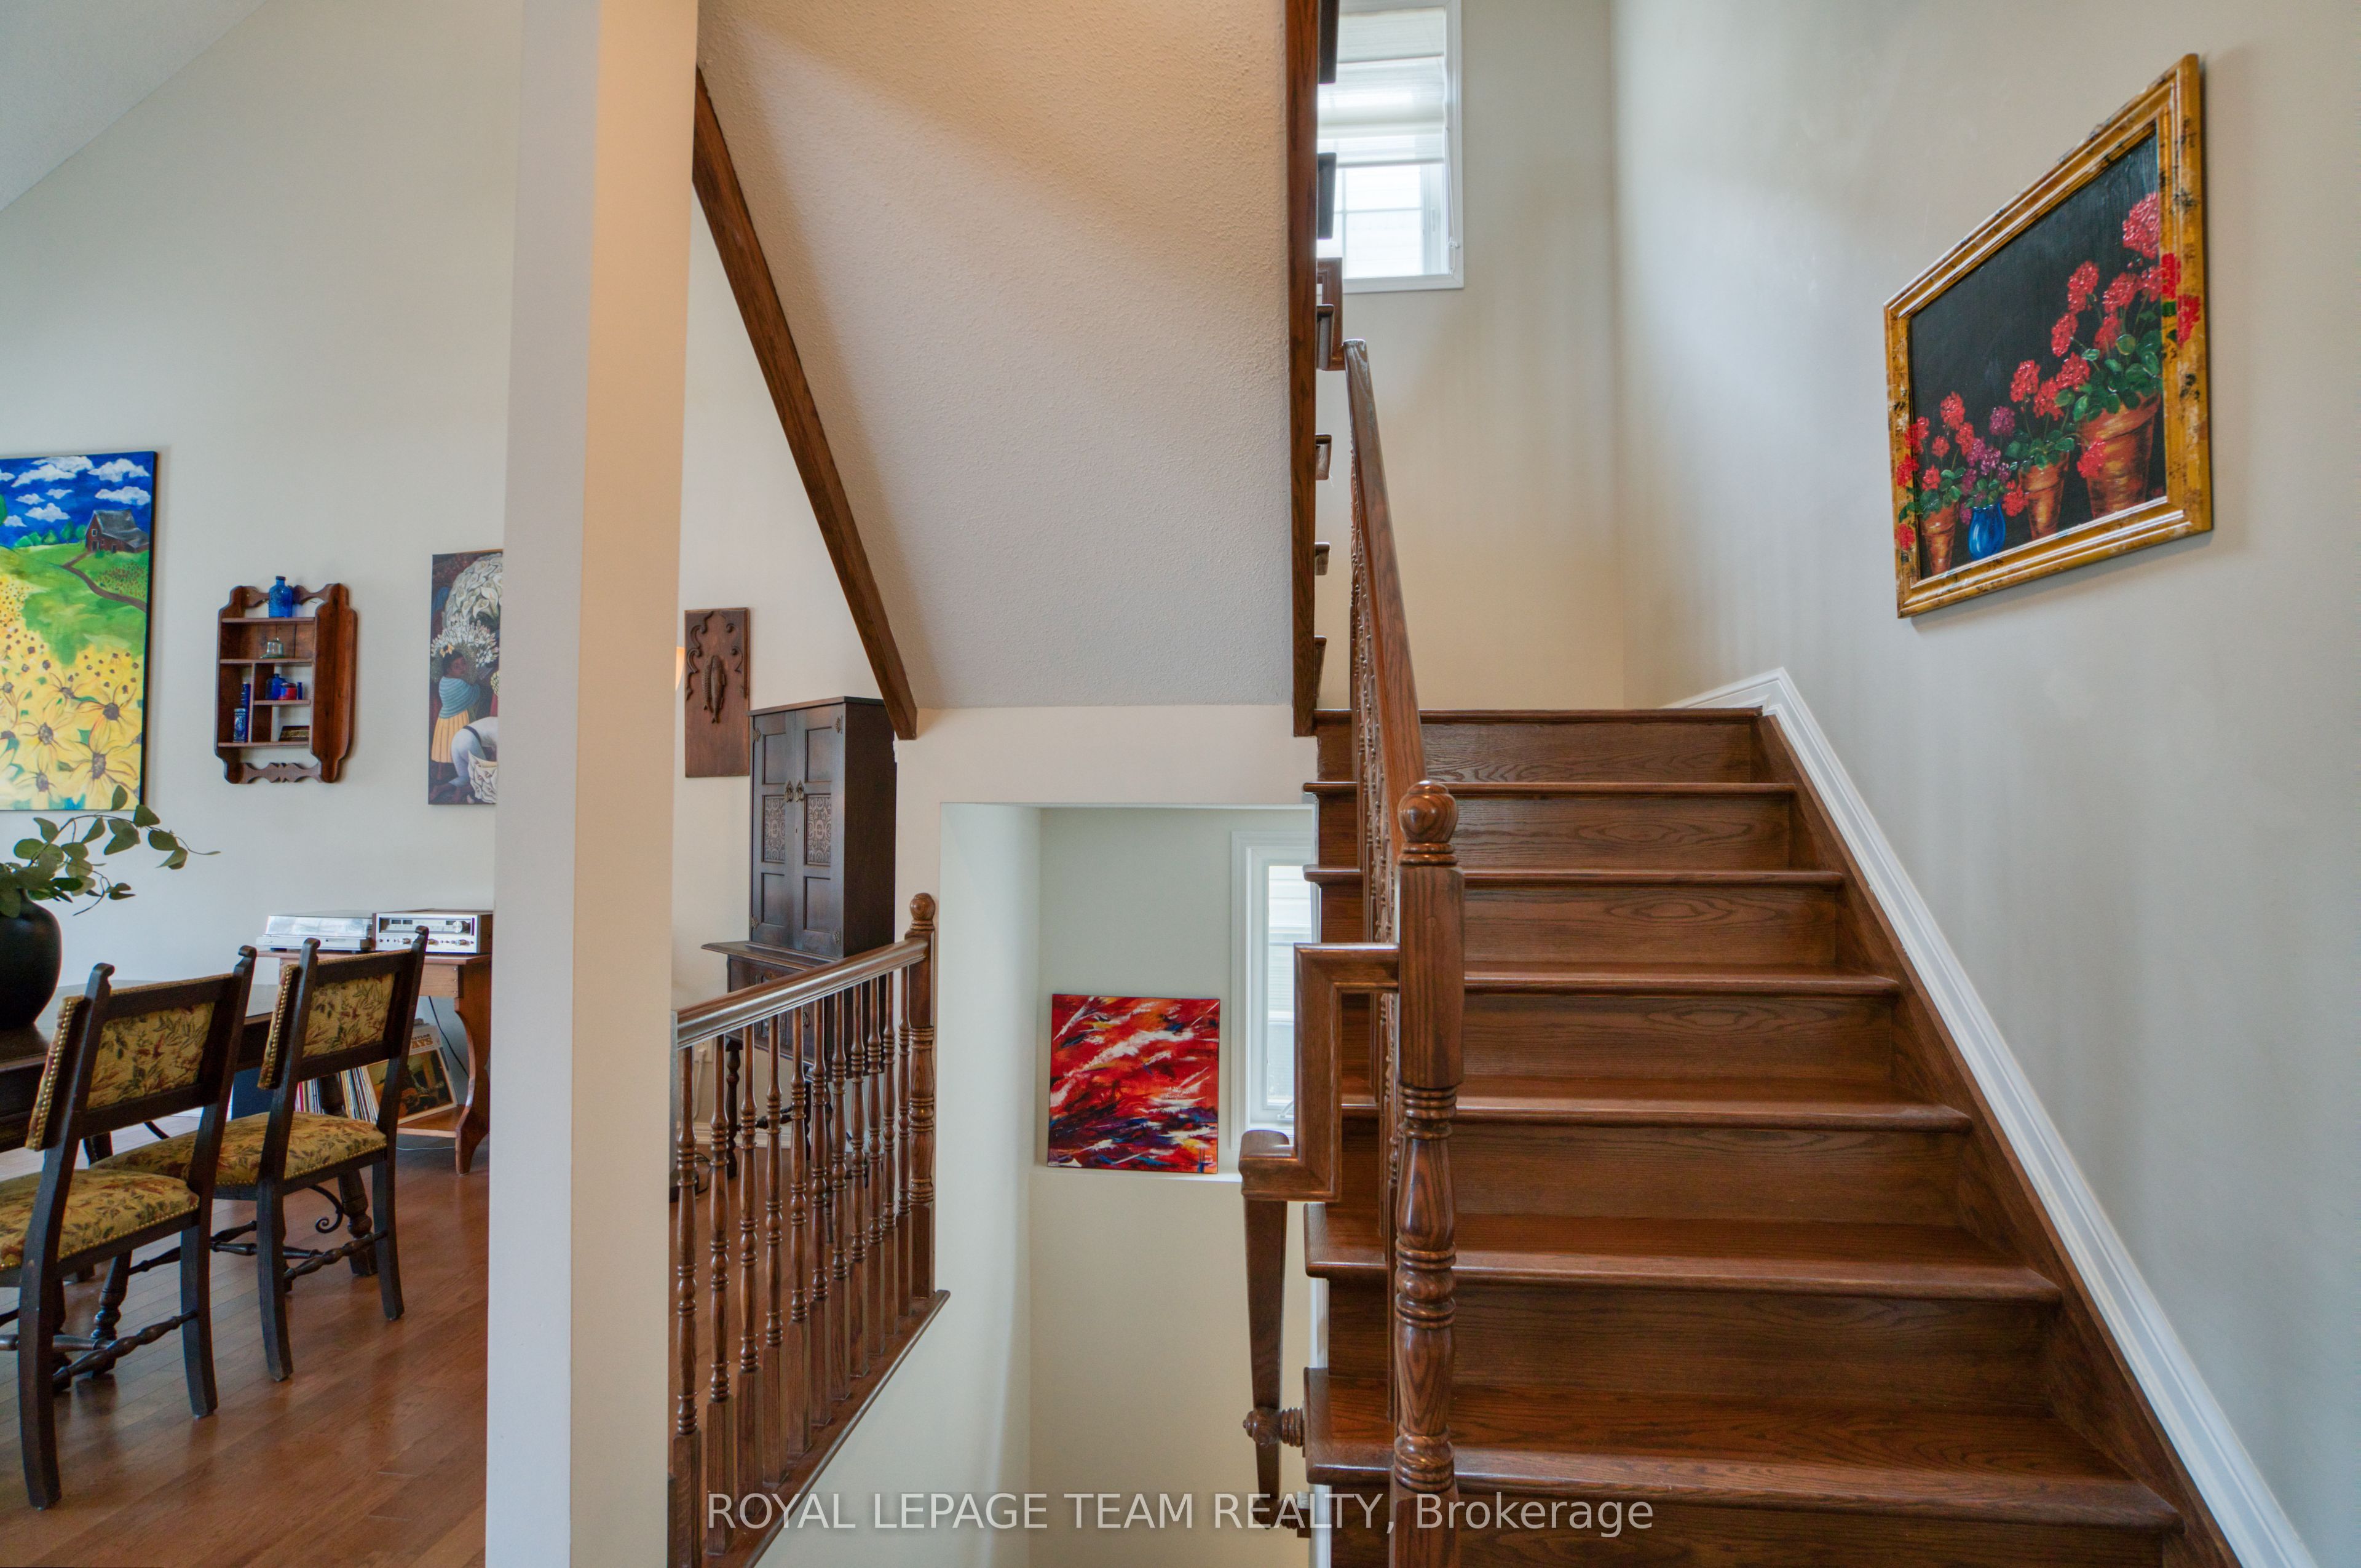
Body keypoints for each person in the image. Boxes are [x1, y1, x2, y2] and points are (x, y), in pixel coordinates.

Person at [429, 652, 481, 791]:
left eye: (464, 663)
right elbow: (472, 694)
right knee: (456, 744)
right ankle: (460, 775)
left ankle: (441, 773)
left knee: (445, 745)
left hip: (444, 720)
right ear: (449, 669)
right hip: (457, 718)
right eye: (457, 666)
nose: (462, 668)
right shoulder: (459, 683)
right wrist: (476, 687)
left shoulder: (443, 681)